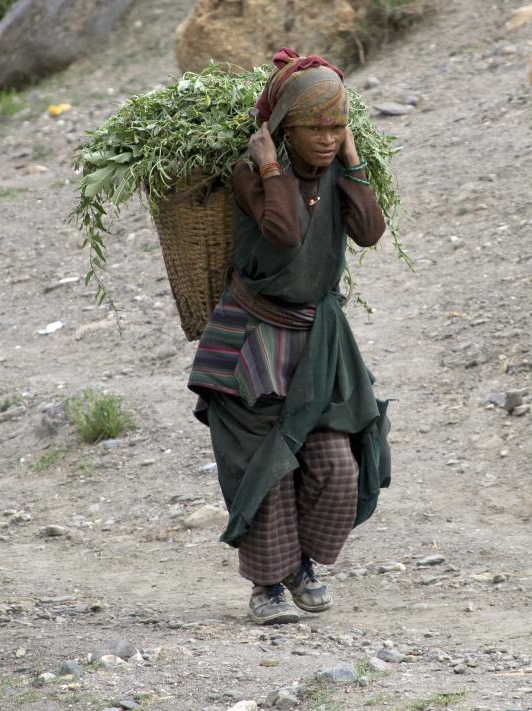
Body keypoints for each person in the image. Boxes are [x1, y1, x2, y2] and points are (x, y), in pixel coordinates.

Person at [186, 48, 392, 625]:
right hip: (254, 341)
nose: (327, 139)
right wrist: (271, 167)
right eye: (314, 128)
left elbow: (371, 232)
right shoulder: (251, 173)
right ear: (283, 129)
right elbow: (283, 233)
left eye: (337, 127)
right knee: (267, 465)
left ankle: (303, 564)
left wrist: (351, 164)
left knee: (335, 464)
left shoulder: (337, 172)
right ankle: (266, 587)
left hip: (318, 342)